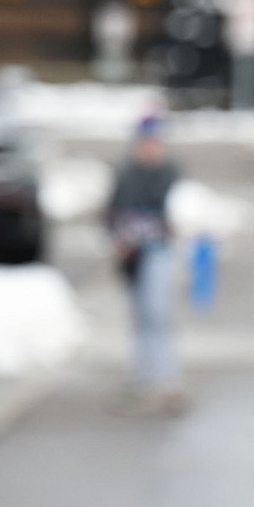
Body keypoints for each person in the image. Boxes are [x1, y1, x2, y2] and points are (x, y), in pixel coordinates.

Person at [104, 113, 187, 415]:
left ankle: (167, 379)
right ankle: (141, 376)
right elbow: (111, 213)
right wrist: (120, 238)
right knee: (140, 316)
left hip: (159, 252)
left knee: (158, 315)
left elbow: (183, 212)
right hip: (132, 257)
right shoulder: (126, 174)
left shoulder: (170, 173)